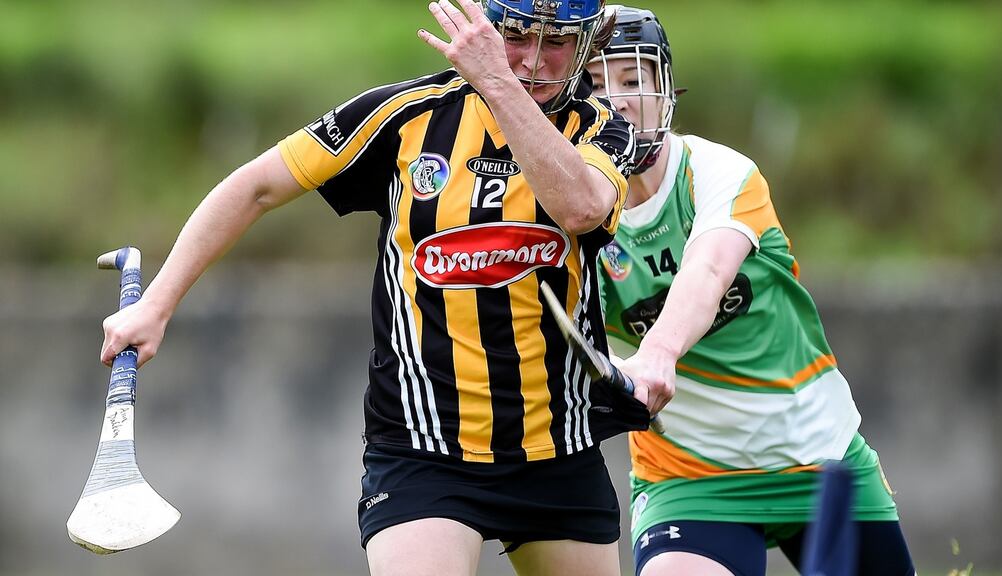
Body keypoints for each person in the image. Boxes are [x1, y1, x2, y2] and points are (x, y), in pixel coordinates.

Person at [99, 1, 655, 575]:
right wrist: (157, 305)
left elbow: (581, 207)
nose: (534, 60)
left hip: (558, 450)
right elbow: (255, 188)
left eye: (557, 41)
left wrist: (495, 77)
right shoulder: (404, 117)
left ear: (590, 42)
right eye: (514, 36)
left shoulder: (602, 129)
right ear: (484, 28)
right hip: (422, 449)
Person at [587, 6, 916, 576]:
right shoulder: (576, 216)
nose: (614, 101)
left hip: (818, 453)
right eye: (593, 85)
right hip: (690, 478)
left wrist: (659, 351)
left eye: (632, 80)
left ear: (666, 90)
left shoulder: (722, 173)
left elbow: (708, 273)